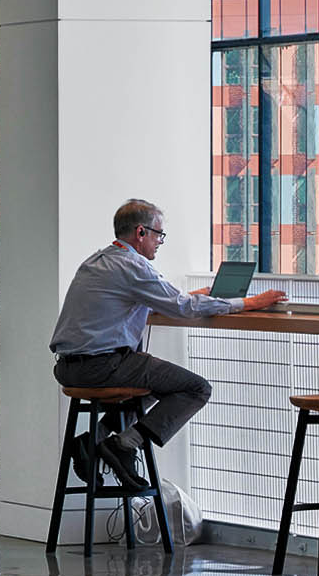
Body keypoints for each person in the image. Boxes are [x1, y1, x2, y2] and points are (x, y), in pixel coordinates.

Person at [51, 199, 286, 488]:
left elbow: (144, 303)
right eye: (158, 234)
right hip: (103, 365)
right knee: (196, 388)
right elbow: (183, 308)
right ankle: (124, 445)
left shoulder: (98, 260)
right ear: (141, 232)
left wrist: (189, 297)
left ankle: (93, 439)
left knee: (154, 386)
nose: (160, 241)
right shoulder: (132, 265)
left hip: (67, 368)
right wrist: (249, 302)